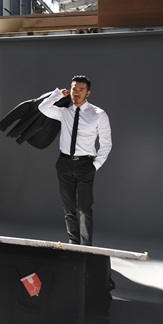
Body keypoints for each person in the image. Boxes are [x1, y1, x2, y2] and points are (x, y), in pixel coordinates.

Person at [39, 75, 111, 246]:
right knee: (69, 208)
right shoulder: (64, 112)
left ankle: (86, 248)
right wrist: (58, 94)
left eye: (81, 90)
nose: (76, 93)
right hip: (64, 163)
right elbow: (43, 107)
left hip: (85, 164)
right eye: (74, 89)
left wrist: (95, 166)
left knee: (84, 209)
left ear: (88, 93)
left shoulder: (98, 114)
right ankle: (73, 244)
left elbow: (106, 144)